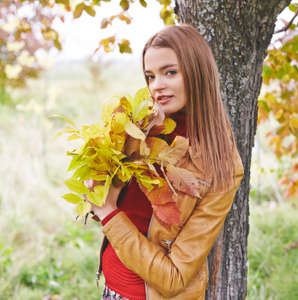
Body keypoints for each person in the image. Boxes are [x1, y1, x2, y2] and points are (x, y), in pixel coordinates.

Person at [88, 24, 244, 300]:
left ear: (196, 73)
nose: (157, 86)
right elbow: (113, 199)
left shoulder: (223, 166)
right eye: (150, 76)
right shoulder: (139, 128)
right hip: (111, 289)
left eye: (170, 72)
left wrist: (108, 213)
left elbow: (175, 277)